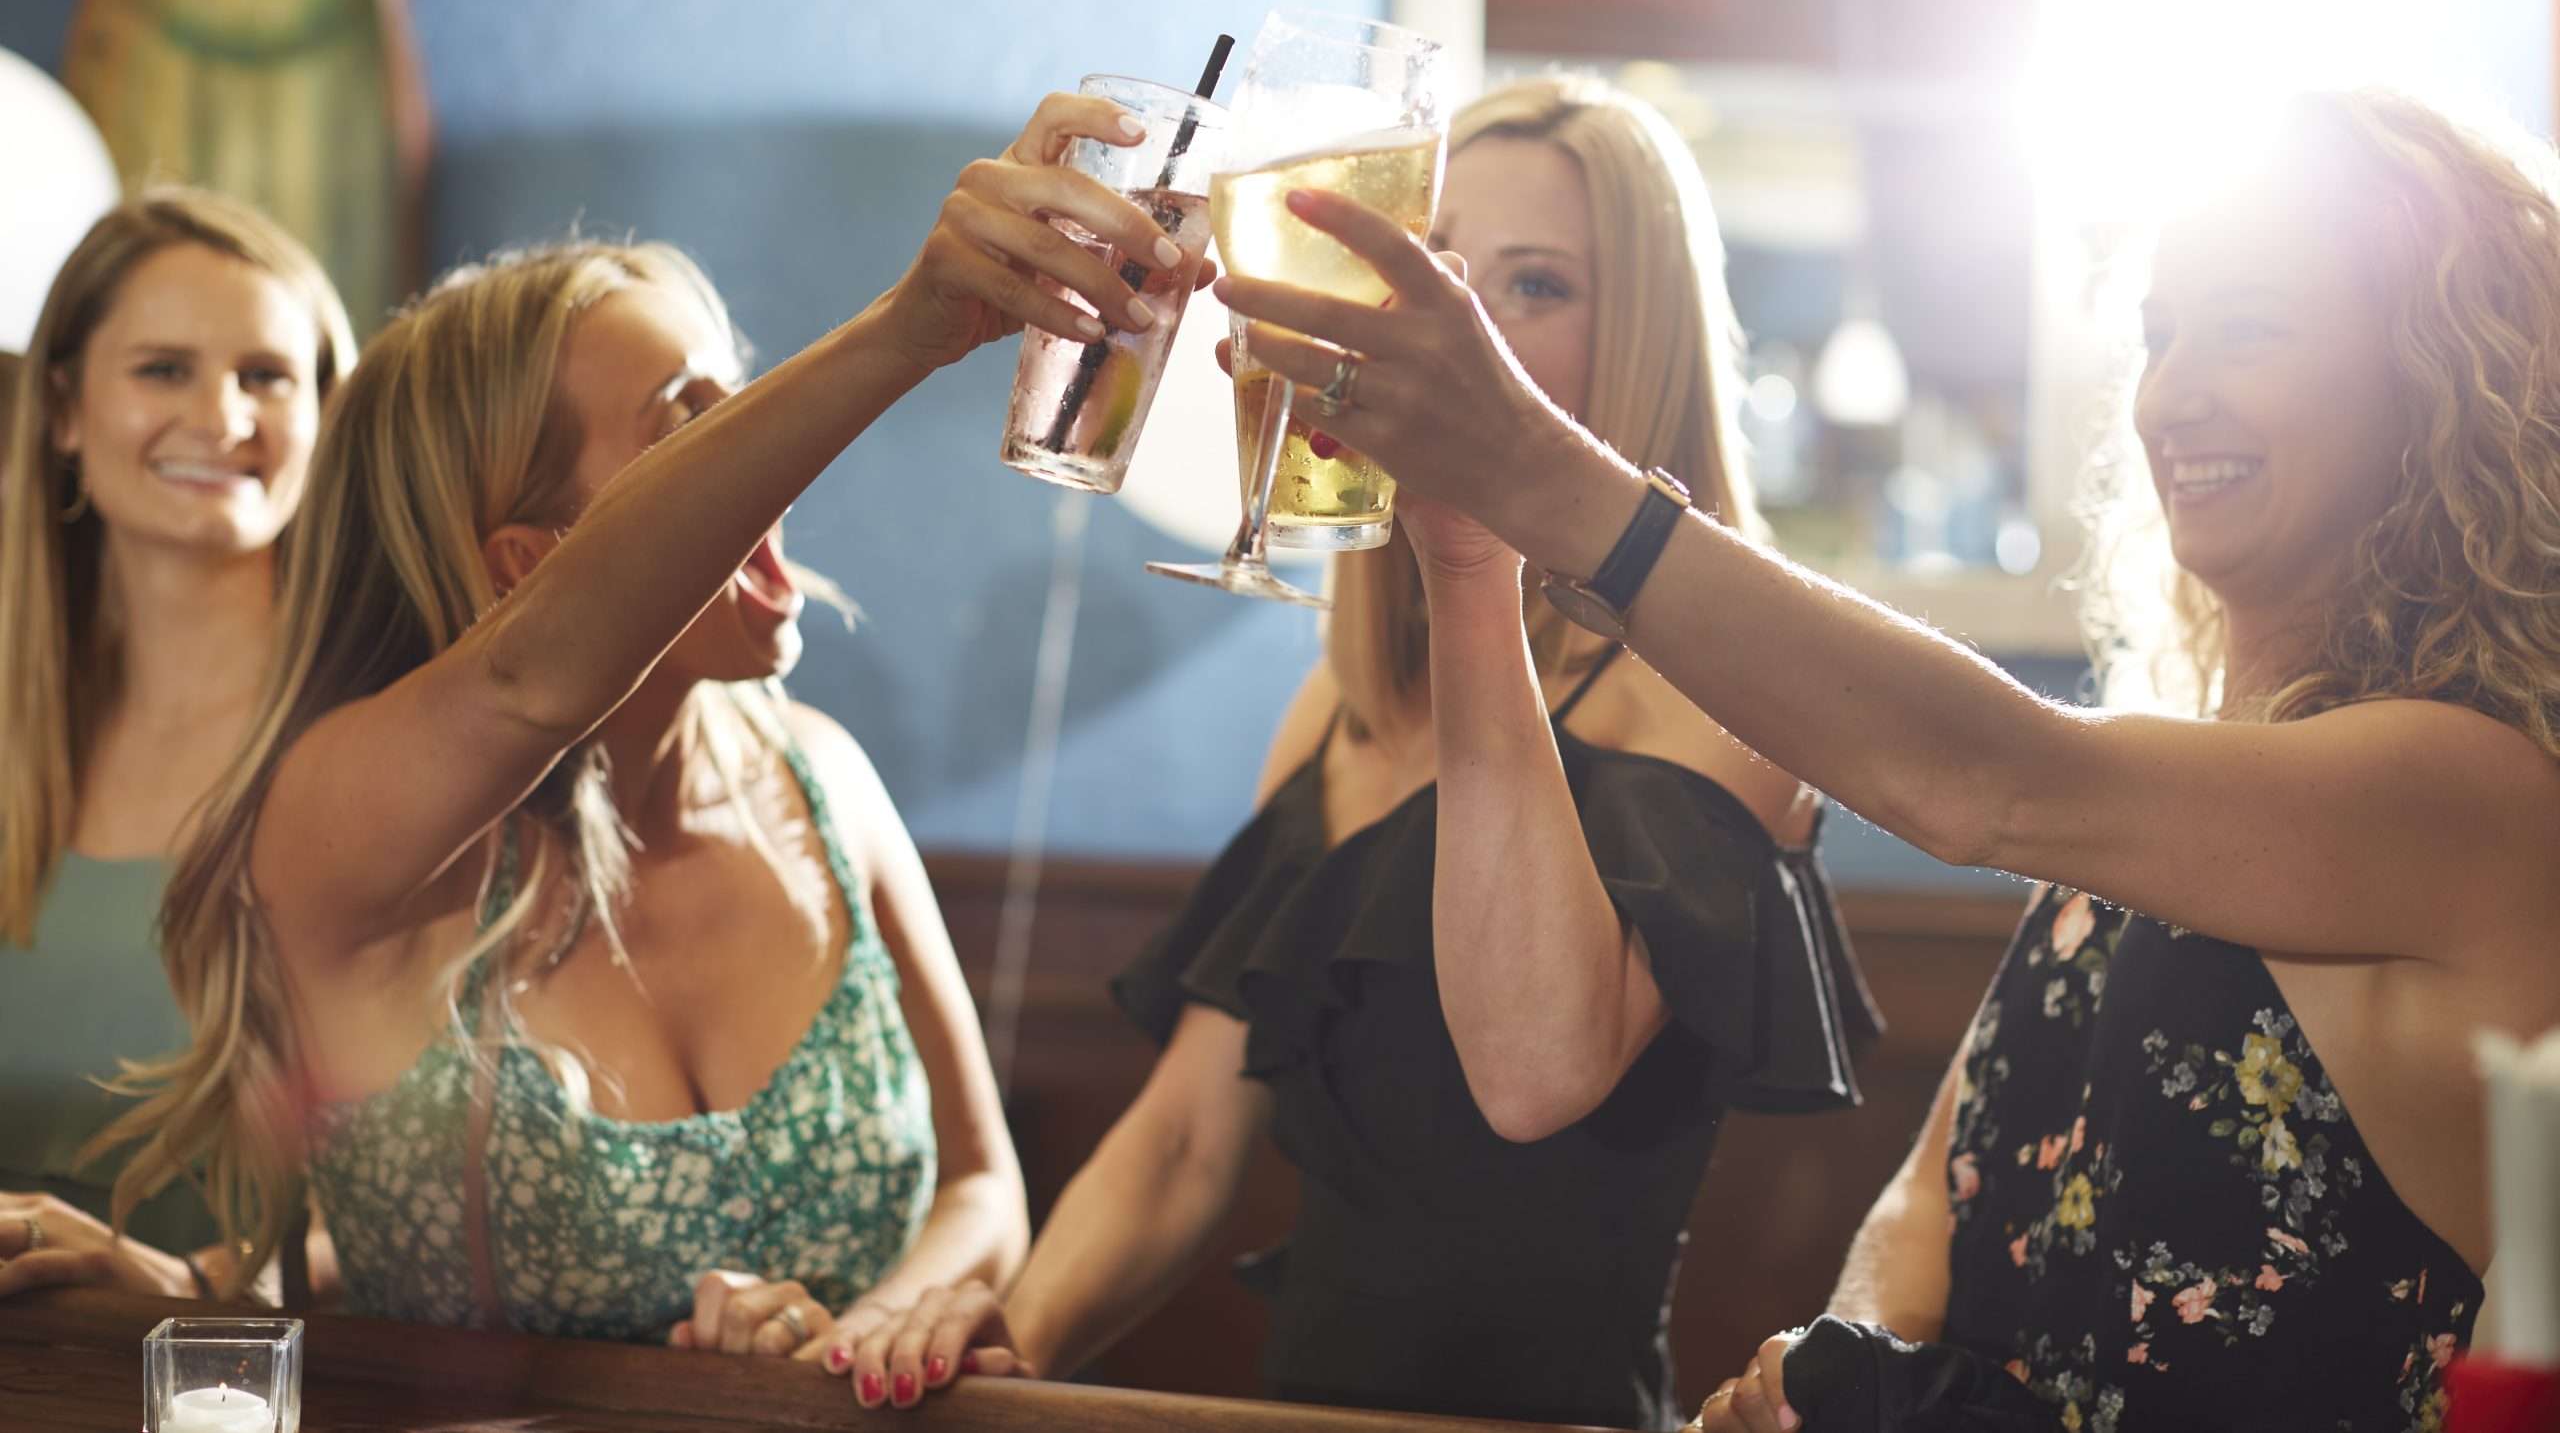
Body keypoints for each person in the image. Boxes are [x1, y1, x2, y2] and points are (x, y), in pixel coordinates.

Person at [1213, 87, 2558, 1431]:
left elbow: (1984, 774)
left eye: (2248, 329)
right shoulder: (2175, 801)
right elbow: (1930, 1202)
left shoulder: (2472, 797)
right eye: (2160, 335)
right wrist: (1832, 1368)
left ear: (2436, 377)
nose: (2174, 394)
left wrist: (1528, 469)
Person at [2, 95, 1182, 1350]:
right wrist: (906, 332)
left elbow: (978, 1184)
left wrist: (868, 1341)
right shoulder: (354, 828)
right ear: (529, 564)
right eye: (691, 421)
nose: (760, 453)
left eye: (735, 399)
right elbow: (533, 685)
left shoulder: (822, 782)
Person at [852, 77, 1879, 1429]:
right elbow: (1176, 1144)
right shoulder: (1335, 710)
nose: (1458, 320)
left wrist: (1473, 545)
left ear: (1646, 344)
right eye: (1437, 268)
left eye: (1537, 286)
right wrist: (1009, 1333)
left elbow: (1532, 1072)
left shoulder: (1720, 701)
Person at [0, 190, 356, 1284]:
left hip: (250, 1388)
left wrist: (201, 1286)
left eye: (266, 376)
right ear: (62, 409)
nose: (221, 417)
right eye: (164, 369)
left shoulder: (384, 747)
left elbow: (504, 1193)